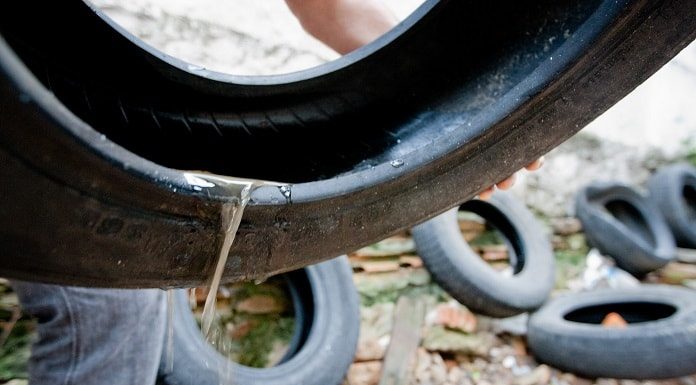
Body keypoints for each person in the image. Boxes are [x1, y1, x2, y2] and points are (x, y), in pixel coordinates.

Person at [13, 1, 543, 384]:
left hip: (82, 102)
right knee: (113, 301)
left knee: (121, 290)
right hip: (26, 84)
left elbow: (331, 7)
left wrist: (467, 106)